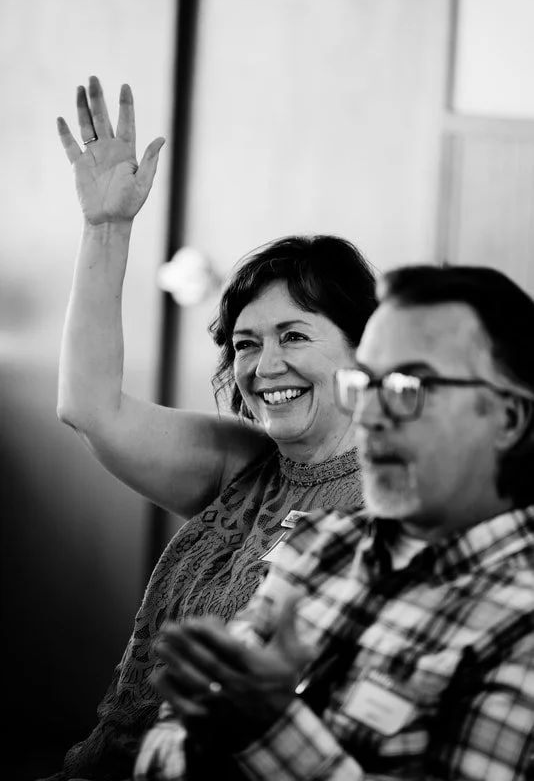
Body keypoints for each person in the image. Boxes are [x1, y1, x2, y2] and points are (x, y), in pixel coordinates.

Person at [43, 76, 377, 781]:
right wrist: (107, 229)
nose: (264, 365)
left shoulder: (395, 502)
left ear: (362, 351)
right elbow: (89, 405)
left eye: (294, 336)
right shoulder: (241, 462)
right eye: (247, 343)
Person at [135, 264, 534, 781]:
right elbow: (174, 732)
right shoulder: (321, 542)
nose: (368, 414)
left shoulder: (520, 618)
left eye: (408, 385)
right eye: (362, 384)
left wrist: (268, 732)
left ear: (507, 418)